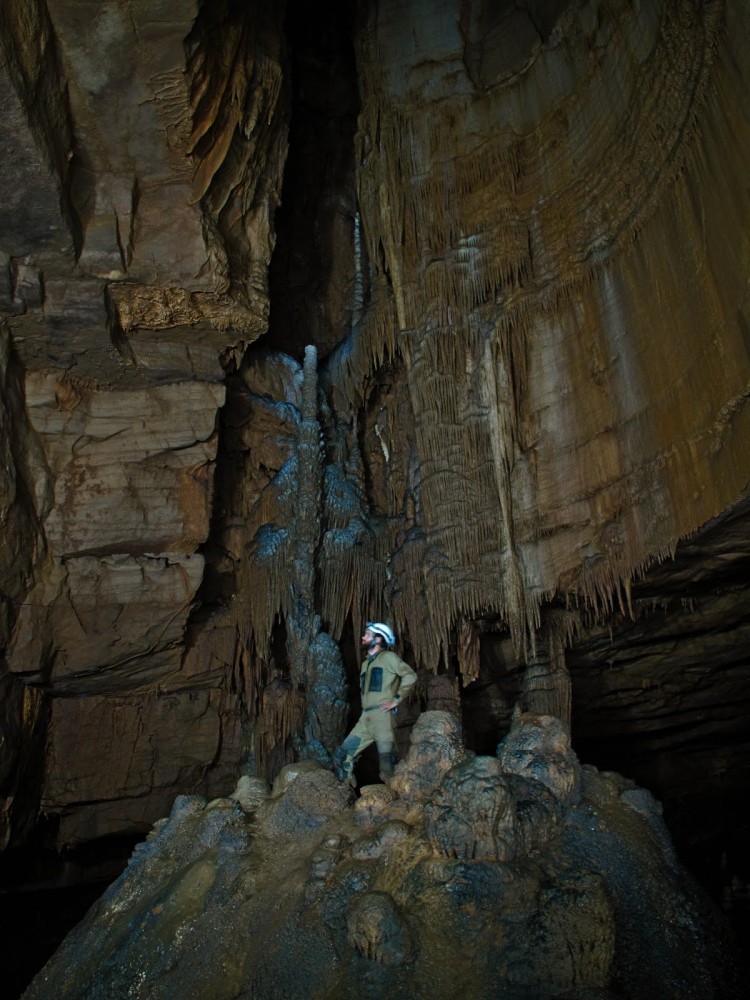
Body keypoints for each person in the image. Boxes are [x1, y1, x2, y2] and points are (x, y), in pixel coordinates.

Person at [333, 622, 417, 786]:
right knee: (342, 756)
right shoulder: (365, 664)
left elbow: (410, 676)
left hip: (382, 717)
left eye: (367, 634)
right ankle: (346, 794)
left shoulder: (388, 658)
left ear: (378, 639)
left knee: (387, 764)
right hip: (366, 718)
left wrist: (396, 700)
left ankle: (397, 802)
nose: (363, 637)